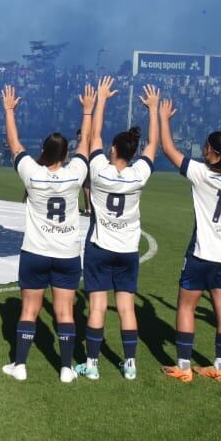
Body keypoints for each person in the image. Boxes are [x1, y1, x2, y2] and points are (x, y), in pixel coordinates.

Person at [1, 82, 93, 383]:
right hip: (66, 253)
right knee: (65, 311)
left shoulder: (32, 173)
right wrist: (88, 111)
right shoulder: (75, 173)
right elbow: (86, 144)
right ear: (66, 154)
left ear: (43, 151)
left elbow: (14, 144)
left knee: (29, 309)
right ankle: (66, 367)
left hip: (36, 252)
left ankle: (21, 365)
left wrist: (9, 110)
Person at [158, 98, 221, 383]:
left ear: (213, 152)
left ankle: (184, 365)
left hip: (202, 252)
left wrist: (163, 118)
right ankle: (220, 367)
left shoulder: (202, 173)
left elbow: (169, 150)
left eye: (206, 146)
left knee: (186, 306)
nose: (202, 149)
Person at [76, 79, 159, 381]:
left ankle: (93, 364)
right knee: (126, 308)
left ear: (112, 150)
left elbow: (94, 134)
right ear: (133, 152)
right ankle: (130, 364)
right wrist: (152, 111)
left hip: (100, 247)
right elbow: (153, 145)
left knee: (97, 305)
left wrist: (101, 99)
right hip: (127, 250)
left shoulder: (98, 171)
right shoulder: (138, 174)